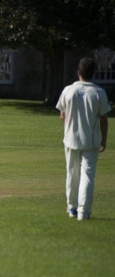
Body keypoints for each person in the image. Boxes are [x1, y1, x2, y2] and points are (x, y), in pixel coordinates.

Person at [55, 57, 111, 221]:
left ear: (78, 73)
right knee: (87, 175)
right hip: (91, 141)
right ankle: (83, 212)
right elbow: (104, 118)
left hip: (71, 139)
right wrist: (104, 140)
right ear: (94, 73)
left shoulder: (68, 90)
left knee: (72, 174)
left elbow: (62, 115)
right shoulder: (98, 92)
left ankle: (72, 207)